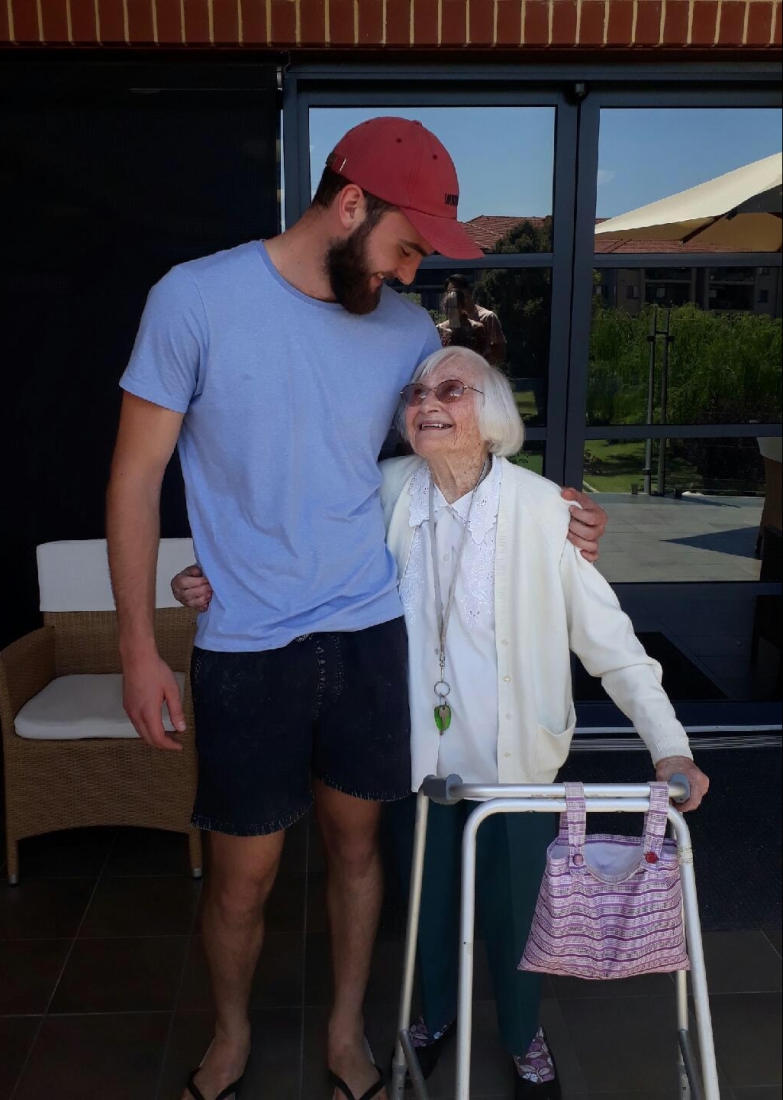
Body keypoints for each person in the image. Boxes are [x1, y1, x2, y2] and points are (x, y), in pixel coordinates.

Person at [107, 117, 609, 1100]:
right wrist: (137, 643)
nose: (415, 269)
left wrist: (553, 509)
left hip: (373, 631)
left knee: (357, 846)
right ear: (348, 206)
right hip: (247, 642)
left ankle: (345, 1035)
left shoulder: (403, 330)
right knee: (243, 876)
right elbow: (135, 477)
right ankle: (231, 1035)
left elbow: (450, 455)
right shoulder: (193, 298)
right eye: (407, 243)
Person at [174, 347, 709, 1099]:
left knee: (518, 907)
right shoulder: (382, 491)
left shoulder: (542, 510)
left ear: (489, 416)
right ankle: (429, 1018)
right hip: (411, 753)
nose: (427, 403)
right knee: (424, 902)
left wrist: (668, 747)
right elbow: (300, 551)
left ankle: (524, 1036)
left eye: (450, 390)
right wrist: (219, 580)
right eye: (416, 392)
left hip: (515, 762)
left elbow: (610, 644)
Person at [437, 272, 506, 366]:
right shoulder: (442, 328)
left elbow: (498, 351)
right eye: (450, 292)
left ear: (468, 291)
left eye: (458, 291)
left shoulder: (486, 318)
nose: (454, 295)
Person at [438, 288, 489, 356]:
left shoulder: (476, 329)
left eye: (453, 307)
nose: (449, 311)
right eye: (447, 307)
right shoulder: (439, 329)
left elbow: (483, 356)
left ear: (461, 307)